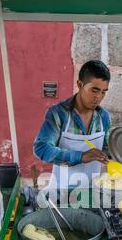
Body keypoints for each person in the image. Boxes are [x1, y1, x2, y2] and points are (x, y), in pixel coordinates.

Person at [33, 60, 111, 191]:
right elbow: (41, 148)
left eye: (103, 92)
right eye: (94, 90)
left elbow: (106, 148)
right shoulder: (58, 114)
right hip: (61, 190)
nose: (98, 97)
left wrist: (114, 154)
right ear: (80, 85)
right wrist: (80, 156)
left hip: (92, 190)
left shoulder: (103, 117)